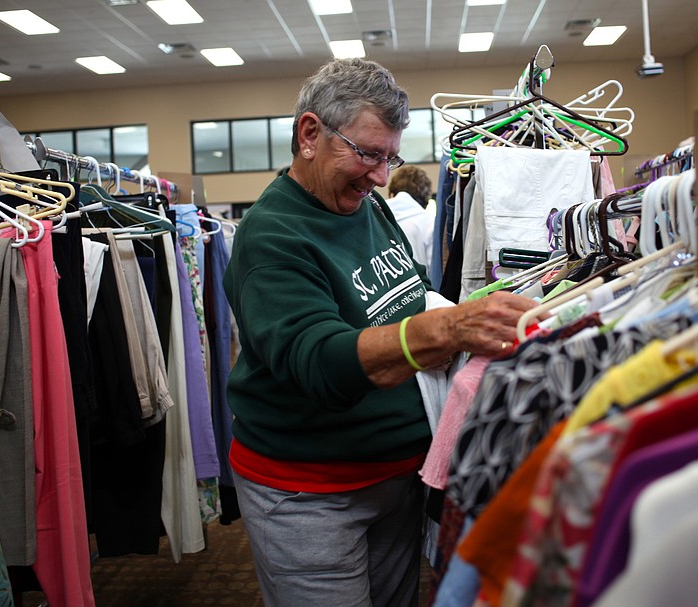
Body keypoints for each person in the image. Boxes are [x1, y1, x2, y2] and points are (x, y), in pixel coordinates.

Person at [223, 58, 537, 607]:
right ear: (310, 134)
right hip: (312, 494)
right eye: (368, 153)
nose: (380, 176)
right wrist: (450, 329)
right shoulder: (270, 235)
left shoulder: (367, 207)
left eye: (391, 157)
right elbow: (320, 361)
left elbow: (408, 294)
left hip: (397, 479)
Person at [386, 164, 436, 277]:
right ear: (426, 201)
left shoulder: (374, 217)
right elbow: (434, 272)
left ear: (392, 194)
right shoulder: (429, 222)